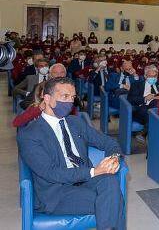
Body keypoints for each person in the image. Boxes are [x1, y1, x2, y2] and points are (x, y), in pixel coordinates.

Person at [17, 77, 125, 230]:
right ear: (47, 98)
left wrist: (113, 158)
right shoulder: (30, 134)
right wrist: (94, 171)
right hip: (57, 191)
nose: (69, 102)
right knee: (112, 200)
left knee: (110, 183)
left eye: (72, 97)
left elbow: (108, 142)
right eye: (64, 97)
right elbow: (51, 172)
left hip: (86, 179)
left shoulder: (76, 122)